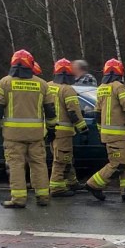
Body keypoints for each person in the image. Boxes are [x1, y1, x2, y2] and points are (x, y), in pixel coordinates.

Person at [0, 49, 56, 209]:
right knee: (39, 164)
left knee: (16, 166)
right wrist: (52, 129)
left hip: (13, 135)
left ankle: (18, 199)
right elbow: (50, 110)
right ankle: (43, 197)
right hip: (36, 135)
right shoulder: (42, 84)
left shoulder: (5, 83)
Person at [85, 58, 125, 203]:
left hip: (113, 135)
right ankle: (93, 184)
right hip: (118, 135)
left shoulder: (101, 88)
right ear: (120, 72)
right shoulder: (119, 87)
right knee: (118, 164)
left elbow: (97, 113)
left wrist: (101, 132)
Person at [47, 58, 89, 197]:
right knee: (61, 159)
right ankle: (57, 188)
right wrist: (83, 128)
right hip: (63, 131)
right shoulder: (68, 89)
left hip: (49, 130)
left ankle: (72, 182)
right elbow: (73, 112)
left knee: (65, 157)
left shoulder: (47, 86)